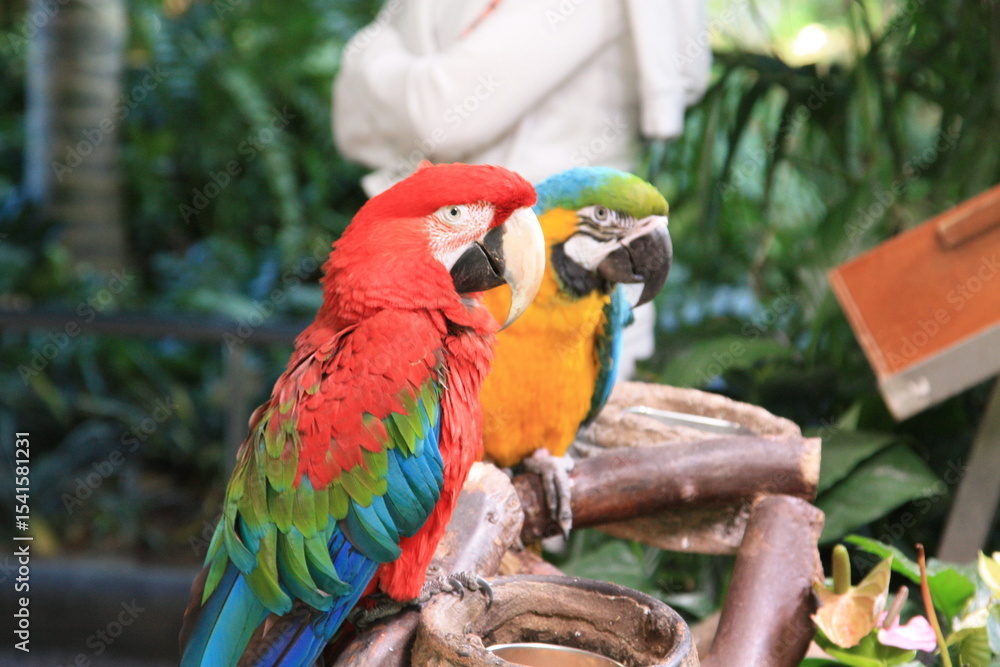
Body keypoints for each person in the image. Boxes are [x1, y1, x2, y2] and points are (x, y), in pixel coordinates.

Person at [333, 0, 710, 378]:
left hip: (554, 321)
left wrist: (369, 50)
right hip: (451, 300)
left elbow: (442, 115)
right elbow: (356, 130)